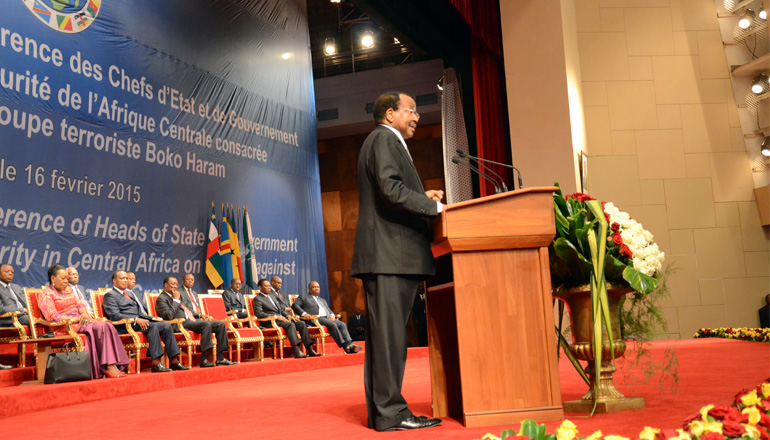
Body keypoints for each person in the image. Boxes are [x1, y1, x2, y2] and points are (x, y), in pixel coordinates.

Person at [350, 91, 443, 431]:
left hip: (390, 256)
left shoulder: (382, 140)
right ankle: (391, 412)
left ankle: (385, 413)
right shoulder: (384, 139)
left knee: (385, 340)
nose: (417, 117)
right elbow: (390, 190)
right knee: (389, 339)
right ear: (390, 114)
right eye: (412, 110)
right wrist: (433, 207)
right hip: (390, 256)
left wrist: (421, 196)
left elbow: (390, 191)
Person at [38, 264, 129, 379]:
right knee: (99, 327)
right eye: (63, 278)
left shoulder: (69, 290)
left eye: (67, 278)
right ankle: (108, 366)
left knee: (107, 325)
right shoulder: (46, 294)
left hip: (80, 322)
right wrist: (75, 319)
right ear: (53, 278)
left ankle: (112, 364)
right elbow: (52, 316)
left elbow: (80, 304)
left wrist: (84, 313)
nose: (67, 281)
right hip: (64, 327)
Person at [103, 270, 191, 372]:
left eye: (127, 278)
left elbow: (139, 312)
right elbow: (114, 315)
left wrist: (152, 318)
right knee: (153, 327)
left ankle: (174, 361)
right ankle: (156, 363)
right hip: (125, 325)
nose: (126, 280)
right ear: (114, 281)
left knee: (166, 326)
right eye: (122, 278)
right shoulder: (110, 295)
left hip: (139, 322)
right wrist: (136, 319)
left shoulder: (128, 294)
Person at [156, 275, 236, 367]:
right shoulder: (162, 298)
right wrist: (176, 300)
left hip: (189, 320)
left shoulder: (175, 296)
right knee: (206, 325)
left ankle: (220, 358)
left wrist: (199, 315)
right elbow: (168, 315)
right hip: (179, 324)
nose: (175, 286)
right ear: (165, 285)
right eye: (172, 284)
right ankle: (204, 359)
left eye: (176, 284)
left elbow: (186, 311)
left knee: (220, 324)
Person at [252, 278, 320, 358]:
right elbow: (259, 314)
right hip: (271, 321)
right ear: (260, 287)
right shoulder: (257, 299)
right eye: (266, 286)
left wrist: (288, 315)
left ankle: (309, 349)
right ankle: (296, 350)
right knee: (290, 325)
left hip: (282, 318)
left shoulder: (272, 297)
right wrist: (276, 317)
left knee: (301, 323)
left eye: (269, 286)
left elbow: (280, 310)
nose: (269, 288)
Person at [293, 281, 361, 354]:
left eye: (318, 287)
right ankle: (345, 346)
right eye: (314, 287)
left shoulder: (322, 300)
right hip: (316, 319)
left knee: (342, 324)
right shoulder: (303, 297)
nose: (317, 288)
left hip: (327, 318)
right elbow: (295, 305)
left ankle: (349, 344)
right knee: (332, 324)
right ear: (309, 289)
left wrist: (332, 315)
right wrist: (304, 314)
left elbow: (329, 310)